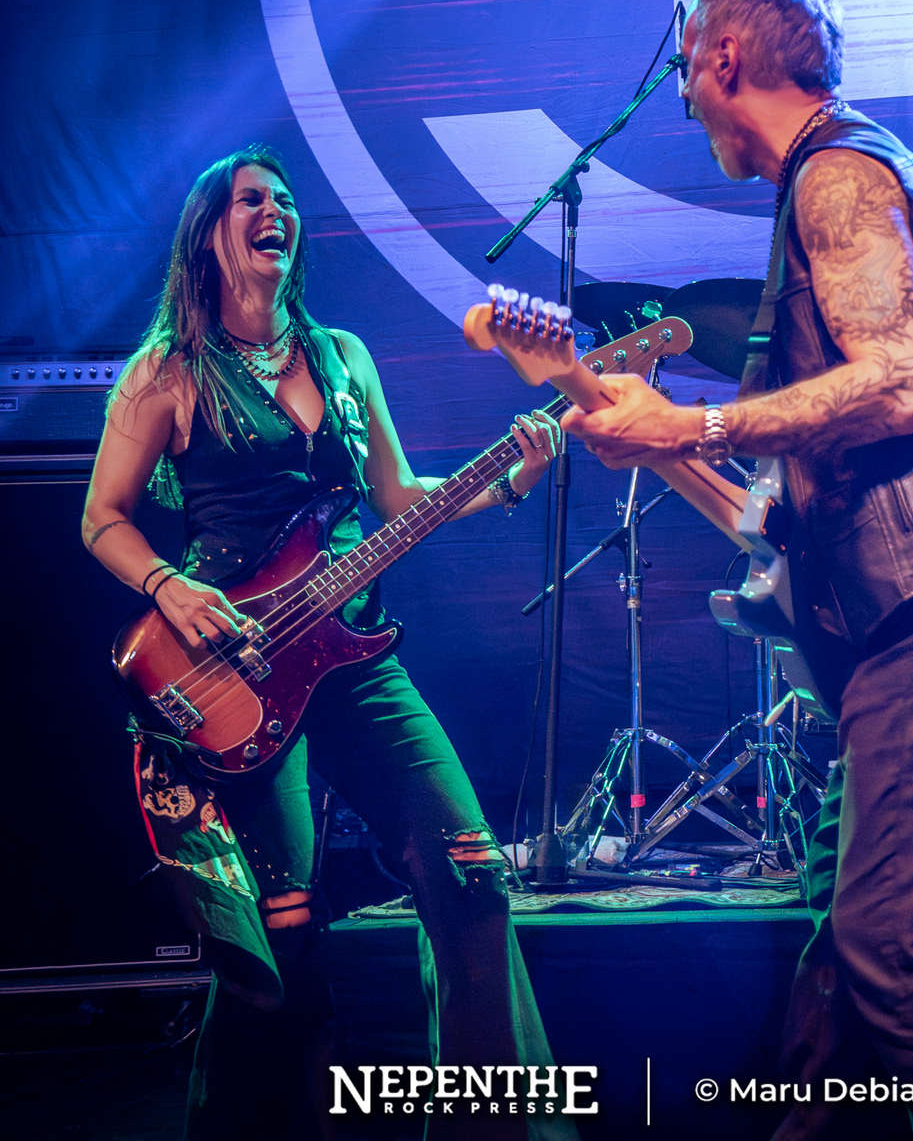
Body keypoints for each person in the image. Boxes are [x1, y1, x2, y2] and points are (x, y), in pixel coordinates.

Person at [563, 0, 913, 1141]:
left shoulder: (833, 175)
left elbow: (892, 384)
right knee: (845, 960)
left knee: (891, 946)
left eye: (684, 69)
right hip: (912, 615)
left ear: (724, 54)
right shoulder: (838, 174)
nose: (683, 99)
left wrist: (688, 423)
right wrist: (709, 466)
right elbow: (855, 442)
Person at [82, 144, 571, 1140]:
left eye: (284, 199)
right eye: (249, 200)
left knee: (472, 876)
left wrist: (515, 476)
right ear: (209, 233)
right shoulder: (166, 370)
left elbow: (399, 499)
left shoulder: (343, 355)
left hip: (353, 660)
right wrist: (171, 586)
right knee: (284, 935)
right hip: (237, 668)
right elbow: (102, 518)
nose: (274, 211)